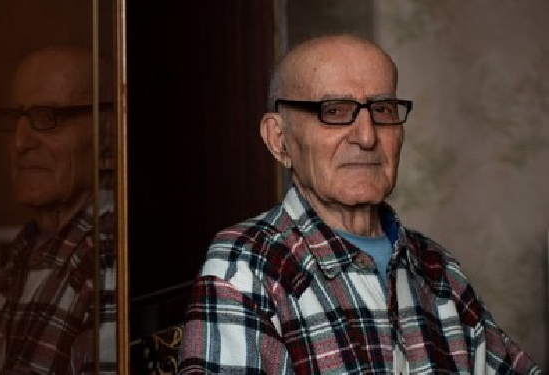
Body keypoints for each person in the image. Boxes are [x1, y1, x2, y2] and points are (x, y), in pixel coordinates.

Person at [178, 34, 541, 374]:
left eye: (382, 109)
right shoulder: (243, 268)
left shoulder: (437, 267)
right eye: (334, 111)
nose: (367, 137)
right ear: (279, 139)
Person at [0, 45, 117, 374]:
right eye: (16, 118)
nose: (20, 142)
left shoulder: (107, 262)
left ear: (109, 141)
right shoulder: (29, 250)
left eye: (48, 118)